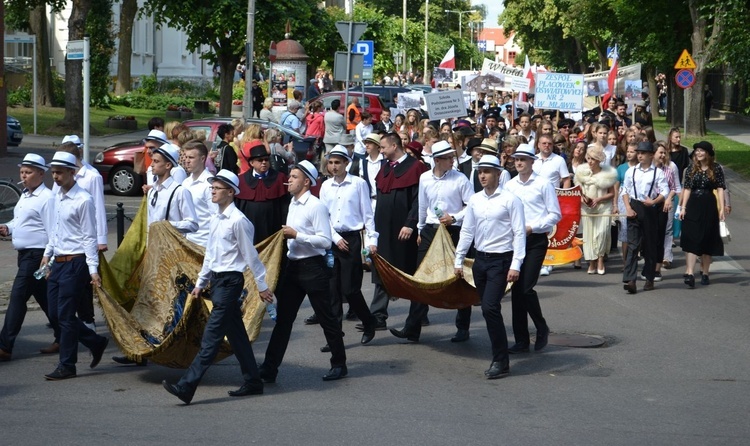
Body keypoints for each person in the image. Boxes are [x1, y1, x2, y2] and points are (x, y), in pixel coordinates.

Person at [162, 170, 272, 404]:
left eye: (217, 188)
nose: (212, 191)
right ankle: (253, 381)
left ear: (230, 192)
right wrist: (201, 283)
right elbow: (211, 254)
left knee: (210, 338)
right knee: (237, 336)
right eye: (211, 187)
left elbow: (251, 256)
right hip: (218, 281)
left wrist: (262, 286)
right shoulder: (216, 219)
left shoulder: (239, 221)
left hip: (231, 282)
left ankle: (186, 387)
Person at [259, 161, 348, 382]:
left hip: (313, 268)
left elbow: (326, 241)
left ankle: (339, 364)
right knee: (283, 321)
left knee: (327, 318)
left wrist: (297, 235)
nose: (289, 180)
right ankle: (269, 369)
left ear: (306, 181)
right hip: (293, 268)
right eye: (290, 176)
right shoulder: (293, 203)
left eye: (294, 177)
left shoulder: (315, 205)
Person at [389, 141, 473, 343]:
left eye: (453, 157)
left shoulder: (460, 179)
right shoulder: (425, 178)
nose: (453, 160)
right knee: (422, 278)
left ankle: (463, 328)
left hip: (453, 231)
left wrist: (454, 218)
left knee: (458, 277)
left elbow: (471, 206)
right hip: (429, 231)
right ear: (437, 160)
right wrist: (419, 229)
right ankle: (413, 327)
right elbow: (422, 206)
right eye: (448, 157)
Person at [454, 155, 526, 379]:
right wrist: (459, 259)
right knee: (488, 310)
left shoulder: (510, 199)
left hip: (501, 261)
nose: (482, 176)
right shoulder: (475, 200)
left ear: (498, 173)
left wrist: (516, 264)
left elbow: (519, 232)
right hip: (480, 261)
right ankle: (499, 353)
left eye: (487, 171)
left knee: (490, 308)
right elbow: (467, 231)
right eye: (479, 172)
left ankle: (501, 360)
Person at [41, 152, 109, 380]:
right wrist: (47, 253)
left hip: (76, 262)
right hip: (58, 262)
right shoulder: (56, 196)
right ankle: (96, 341)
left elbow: (89, 237)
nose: (55, 177)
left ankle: (67, 365)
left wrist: (93, 270)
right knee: (55, 313)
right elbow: (56, 229)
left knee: (66, 315)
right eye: (53, 172)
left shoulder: (83, 200)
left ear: (73, 172)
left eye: (59, 172)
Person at [361, 133, 428, 330]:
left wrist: (410, 223)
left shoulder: (416, 167)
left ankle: (418, 316)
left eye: (383, 147)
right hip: (384, 229)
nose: (380, 151)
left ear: (393, 145)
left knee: (410, 273)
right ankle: (378, 317)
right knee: (382, 270)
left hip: (404, 230)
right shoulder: (385, 167)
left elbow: (419, 201)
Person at [316, 147, 379, 348]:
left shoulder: (358, 184)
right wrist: (333, 238)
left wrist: (372, 241)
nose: (334, 167)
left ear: (346, 164)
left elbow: (367, 214)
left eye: (338, 162)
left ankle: (369, 321)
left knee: (350, 289)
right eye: (331, 163)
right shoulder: (325, 186)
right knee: (332, 290)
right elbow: (323, 216)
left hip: (351, 239)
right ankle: (335, 337)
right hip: (332, 239)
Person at [0, 154, 58, 361]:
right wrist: (8, 227)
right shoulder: (26, 195)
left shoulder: (47, 198)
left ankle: (5, 346)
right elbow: (20, 221)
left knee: (17, 296)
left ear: (41, 174)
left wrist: (49, 260)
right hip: (25, 254)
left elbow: (53, 231)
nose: (23, 176)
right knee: (44, 299)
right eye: (22, 172)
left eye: (28, 172)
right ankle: (72, 336)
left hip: (37, 255)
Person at [504, 145, 558, 354]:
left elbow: (554, 215)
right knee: (517, 291)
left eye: (523, 159)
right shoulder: (509, 186)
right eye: (516, 159)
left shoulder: (543, 184)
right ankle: (521, 340)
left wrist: (532, 227)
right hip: (514, 241)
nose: (519, 163)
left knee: (526, 288)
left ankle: (541, 326)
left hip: (535, 240)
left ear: (532, 162)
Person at [53, 137, 108, 333]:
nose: (55, 175)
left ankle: (87, 322)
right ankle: (78, 327)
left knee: (84, 287)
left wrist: (101, 239)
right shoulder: (59, 180)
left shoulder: (91, 176)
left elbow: (99, 208)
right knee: (68, 299)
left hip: (84, 240)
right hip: (65, 241)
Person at [621, 141, 669, 293]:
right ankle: (630, 280)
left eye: (643, 153)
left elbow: (665, 191)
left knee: (649, 245)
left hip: (650, 210)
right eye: (638, 153)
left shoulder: (658, 172)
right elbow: (625, 190)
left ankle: (649, 277)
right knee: (633, 245)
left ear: (650, 155)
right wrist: (628, 207)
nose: (639, 155)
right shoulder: (632, 171)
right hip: (634, 207)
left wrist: (654, 201)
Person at [679, 141, 725, 288]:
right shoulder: (691, 168)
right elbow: (687, 188)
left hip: (709, 205)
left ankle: (705, 272)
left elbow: (720, 188)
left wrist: (722, 208)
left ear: (708, 153)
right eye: (697, 151)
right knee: (691, 236)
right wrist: (683, 207)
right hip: (693, 204)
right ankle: (690, 272)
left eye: (701, 151)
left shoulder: (716, 168)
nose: (698, 153)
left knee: (707, 237)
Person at [235, 143, 290, 244]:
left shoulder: (279, 178)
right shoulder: (241, 180)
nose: (264, 162)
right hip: (248, 229)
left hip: (272, 228)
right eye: (260, 160)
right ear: (251, 163)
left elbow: (284, 205)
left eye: (266, 159)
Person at [574, 145, 617, 275]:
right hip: (587, 209)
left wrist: (599, 199)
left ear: (599, 160)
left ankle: (600, 261)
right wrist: (584, 199)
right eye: (589, 158)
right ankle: (591, 263)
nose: (590, 161)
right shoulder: (581, 172)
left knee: (602, 234)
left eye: (593, 159)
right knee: (589, 236)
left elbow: (612, 193)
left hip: (604, 207)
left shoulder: (608, 174)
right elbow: (577, 192)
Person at [181, 140, 218, 247]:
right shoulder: (185, 182)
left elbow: (215, 216)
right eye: (186, 157)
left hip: (204, 243)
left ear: (202, 159)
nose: (186, 161)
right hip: (186, 241)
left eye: (191, 158)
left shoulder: (209, 184)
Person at [653, 141, 682, 276]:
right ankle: (653, 255)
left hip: (666, 202)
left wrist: (670, 198)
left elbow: (675, 187)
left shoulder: (670, 168)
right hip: (651, 202)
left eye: (665, 153)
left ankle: (667, 257)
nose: (663, 155)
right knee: (654, 229)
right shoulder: (648, 168)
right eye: (661, 152)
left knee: (667, 229)